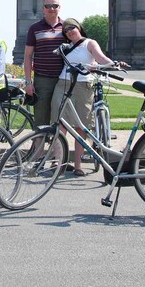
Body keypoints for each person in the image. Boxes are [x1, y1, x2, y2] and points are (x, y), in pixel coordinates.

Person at [51, 18, 124, 177]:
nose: (69, 31)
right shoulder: (65, 47)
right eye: (66, 30)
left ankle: (78, 165)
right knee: (60, 124)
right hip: (63, 84)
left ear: (79, 28)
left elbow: (101, 58)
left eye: (72, 28)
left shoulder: (89, 43)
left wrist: (113, 64)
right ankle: (58, 162)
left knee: (80, 126)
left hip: (84, 87)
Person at [23, 0, 65, 126]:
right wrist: (28, 82)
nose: (52, 8)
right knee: (41, 119)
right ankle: (39, 146)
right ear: (43, 8)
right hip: (42, 80)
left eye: (55, 6)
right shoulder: (34, 28)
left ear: (60, 7)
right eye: (48, 6)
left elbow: (81, 46)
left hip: (63, 79)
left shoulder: (67, 27)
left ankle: (57, 146)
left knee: (60, 118)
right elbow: (28, 56)